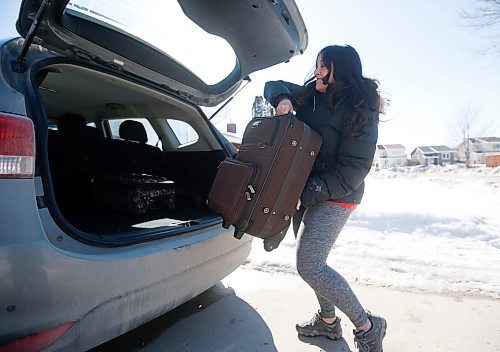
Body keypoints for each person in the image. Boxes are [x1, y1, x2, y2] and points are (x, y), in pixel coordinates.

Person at [264, 45, 386, 352]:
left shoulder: (361, 107)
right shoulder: (312, 95)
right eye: (317, 65)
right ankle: (328, 323)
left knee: (309, 265)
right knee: (315, 263)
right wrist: (283, 99)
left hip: (338, 192)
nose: (317, 70)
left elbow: (354, 168)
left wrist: (305, 193)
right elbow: (273, 85)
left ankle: (368, 326)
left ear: (339, 69)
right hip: (303, 192)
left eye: (323, 65)